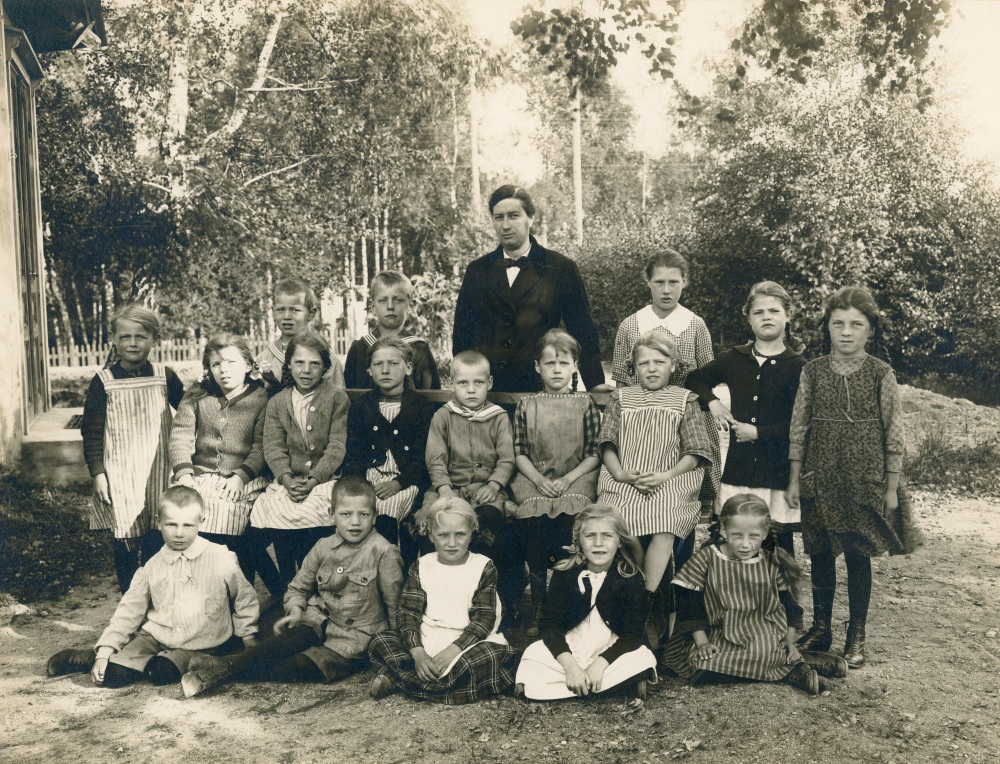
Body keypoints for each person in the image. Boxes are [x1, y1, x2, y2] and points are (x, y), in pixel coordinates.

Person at [786, 286, 920, 668]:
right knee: (821, 550)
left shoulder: (881, 373)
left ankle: (855, 634)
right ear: (826, 328)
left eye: (856, 325)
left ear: (870, 331)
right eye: (838, 324)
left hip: (865, 476)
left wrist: (891, 486)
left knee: (859, 554)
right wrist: (795, 478)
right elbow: (799, 426)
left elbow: (895, 431)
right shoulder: (812, 371)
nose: (846, 332)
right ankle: (822, 627)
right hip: (820, 473)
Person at [180, 477, 405, 695]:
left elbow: (394, 605)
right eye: (345, 514)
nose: (354, 522)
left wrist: (392, 648)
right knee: (284, 640)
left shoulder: (384, 552)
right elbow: (298, 588)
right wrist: (297, 610)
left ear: (374, 517)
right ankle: (226, 663)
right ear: (332, 515)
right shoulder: (323, 546)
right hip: (317, 622)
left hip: (353, 640)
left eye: (364, 515)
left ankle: (224, 667)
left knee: (294, 667)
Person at [45, 486, 259, 687]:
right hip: (155, 637)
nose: (179, 533)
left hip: (200, 643)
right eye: (171, 524)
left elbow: (244, 597)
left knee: (162, 673)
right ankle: (89, 658)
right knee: (113, 676)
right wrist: (105, 651)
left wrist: (248, 636)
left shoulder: (220, 558)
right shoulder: (153, 566)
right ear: (158, 522)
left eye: (188, 525)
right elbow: (129, 610)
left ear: (201, 521)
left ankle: (148, 663)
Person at [685, 281, 808, 627]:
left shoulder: (798, 366)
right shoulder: (734, 358)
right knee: (731, 533)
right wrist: (714, 405)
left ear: (787, 316)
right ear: (748, 319)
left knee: (776, 540)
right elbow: (694, 378)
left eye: (774, 311)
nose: (766, 317)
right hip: (738, 469)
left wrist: (761, 433)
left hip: (776, 471)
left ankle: (786, 607)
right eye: (758, 312)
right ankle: (725, 602)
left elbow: (801, 424)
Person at [661, 495, 847, 695]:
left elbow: (790, 607)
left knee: (768, 653)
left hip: (762, 636)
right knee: (703, 664)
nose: (745, 544)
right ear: (723, 530)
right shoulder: (706, 558)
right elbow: (690, 606)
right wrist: (702, 643)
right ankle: (795, 662)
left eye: (753, 537)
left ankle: (795, 670)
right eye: (737, 535)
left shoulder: (771, 563)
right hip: (717, 635)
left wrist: (788, 641)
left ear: (765, 533)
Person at [597, 332, 713, 649]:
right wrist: (620, 472)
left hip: (672, 477)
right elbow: (607, 443)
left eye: (659, 361)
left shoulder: (686, 400)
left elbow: (695, 451)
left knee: (663, 521)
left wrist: (665, 476)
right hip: (625, 477)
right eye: (643, 362)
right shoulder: (621, 399)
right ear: (633, 367)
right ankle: (626, 595)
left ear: (673, 365)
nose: (651, 368)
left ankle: (645, 604)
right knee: (620, 518)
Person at [610, 250, 720, 578]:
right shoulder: (631, 325)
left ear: (685, 283)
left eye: (674, 282)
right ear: (648, 282)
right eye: (659, 282)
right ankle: (633, 583)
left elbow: (706, 376)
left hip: (683, 423)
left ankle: (675, 588)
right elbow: (620, 379)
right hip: (638, 432)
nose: (667, 290)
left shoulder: (695, 325)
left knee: (677, 507)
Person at [452, 185, 606, 393]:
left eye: (513, 215)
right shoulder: (477, 270)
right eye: (499, 217)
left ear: (530, 218)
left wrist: (595, 382)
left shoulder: (561, 268)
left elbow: (582, 330)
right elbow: (462, 335)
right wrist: (465, 384)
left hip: (541, 391)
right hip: (489, 393)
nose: (506, 225)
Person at [367, 496, 519, 703]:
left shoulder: (483, 566)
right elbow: (408, 614)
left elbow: (484, 620)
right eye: (443, 535)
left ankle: (398, 679)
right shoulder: (422, 566)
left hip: (470, 644)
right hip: (428, 640)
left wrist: (452, 652)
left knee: (492, 656)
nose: (452, 543)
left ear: (472, 533)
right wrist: (419, 654)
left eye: (460, 535)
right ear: (430, 535)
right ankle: (443, 685)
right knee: (381, 640)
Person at [81, 304, 185, 593]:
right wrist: (98, 474)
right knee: (125, 539)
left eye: (141, 336)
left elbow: (189, 416)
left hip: (158, 472)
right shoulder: (103, 382)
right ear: (113, 339)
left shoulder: (166, 376)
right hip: (121, 475)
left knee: (157, 534)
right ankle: (130, 599)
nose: (132, 343)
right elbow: (91, 433)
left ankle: (157, 598)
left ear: (155, 338)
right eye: (125, 337)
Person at [169, 334, 279, 599]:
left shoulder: (260, 398)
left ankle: (244, 594)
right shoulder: (196, 396)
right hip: (202, 475)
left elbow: (261, 445)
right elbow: (181, 435)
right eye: (217, 364)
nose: (224, 369)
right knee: (183, 513)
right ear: (209, 368)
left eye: (231, 362)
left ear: (248, 365)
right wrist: (184, 474)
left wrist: (241, 476)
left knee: (231, 516)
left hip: (245, 476)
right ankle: (195, 591)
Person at [507, 329, 601, 637]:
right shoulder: (527, 405)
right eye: (549, 363)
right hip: (534, 480)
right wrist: (536, 478)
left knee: (566, 526)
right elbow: (519, 452)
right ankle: (538, 601)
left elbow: (593, 453)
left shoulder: (585, 404)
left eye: (563, 363)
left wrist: (568, 478)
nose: (557, 369)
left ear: (575, 365)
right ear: (537, 367)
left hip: (575, 478)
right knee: (536, 529)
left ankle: (564, 601)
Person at [514, 504, 657, 701]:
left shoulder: (630, 577)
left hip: (612, 650)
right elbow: (550, 625)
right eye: (590, 536)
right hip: (572, 647)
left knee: (642, 657)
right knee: (532, 654)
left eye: (607, 535)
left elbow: (632, 635)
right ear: (579, 541)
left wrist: (599, 664)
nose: (598, 543)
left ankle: (575, 684)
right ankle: (604, 685)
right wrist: (570, 666)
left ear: (620, 542)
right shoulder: (565, 574)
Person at [250, 331, 351, 587]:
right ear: (289, 366)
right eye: (299, 362)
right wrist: (284, 478)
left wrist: (315, 478)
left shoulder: (337, 398)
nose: (306, 370)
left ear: (326, 367)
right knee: (276, 509)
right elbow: (273, 446)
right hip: (289, 479)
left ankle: (317, 583)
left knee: (316, 512)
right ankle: (287, 582)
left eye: (315, 363)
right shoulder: (279, 401)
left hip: (324, 478)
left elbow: (337, 446)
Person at [423, 350, 519, 617]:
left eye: (478, 383)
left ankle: (494, 599)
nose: (471, 390)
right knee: (437, 523)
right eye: (463, 383)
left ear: (489, 383)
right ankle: (439, 597)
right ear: (451, 384)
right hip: (449, 488)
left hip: (487, 489)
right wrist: (444, 491)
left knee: (490, 523)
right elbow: (436, 459)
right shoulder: (443, 416)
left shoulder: (498, 417)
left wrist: (494, 485)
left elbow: (506, 459)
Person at [343, 336, 434, 567]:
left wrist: (399, 483)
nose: (385, 370)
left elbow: (421, 457)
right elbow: (353, 454)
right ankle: (369, 571)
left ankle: (395, 573)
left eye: (393, 363)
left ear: (409, 368)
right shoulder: (361, 407)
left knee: (386, 510)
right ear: (369, 370)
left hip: (406, 480)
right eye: (378, 364)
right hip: (369, 479)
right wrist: (362, 485)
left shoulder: (421, 406)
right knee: (361, 506)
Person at [344, 270, 441, 390]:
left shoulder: (419, 348)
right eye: (383, 300)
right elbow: (348, 395)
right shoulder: (359, 348)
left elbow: (432, 396)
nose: (390, 306)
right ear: (373, 307)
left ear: (410, 306)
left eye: (398, 300)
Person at [255, 277, 345, 391]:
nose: (287, 316)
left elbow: (339, 399)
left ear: (311, 314)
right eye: (281, 309)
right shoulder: (263, 359)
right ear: (273, 312)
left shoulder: (326, 357)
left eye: (295, 310)